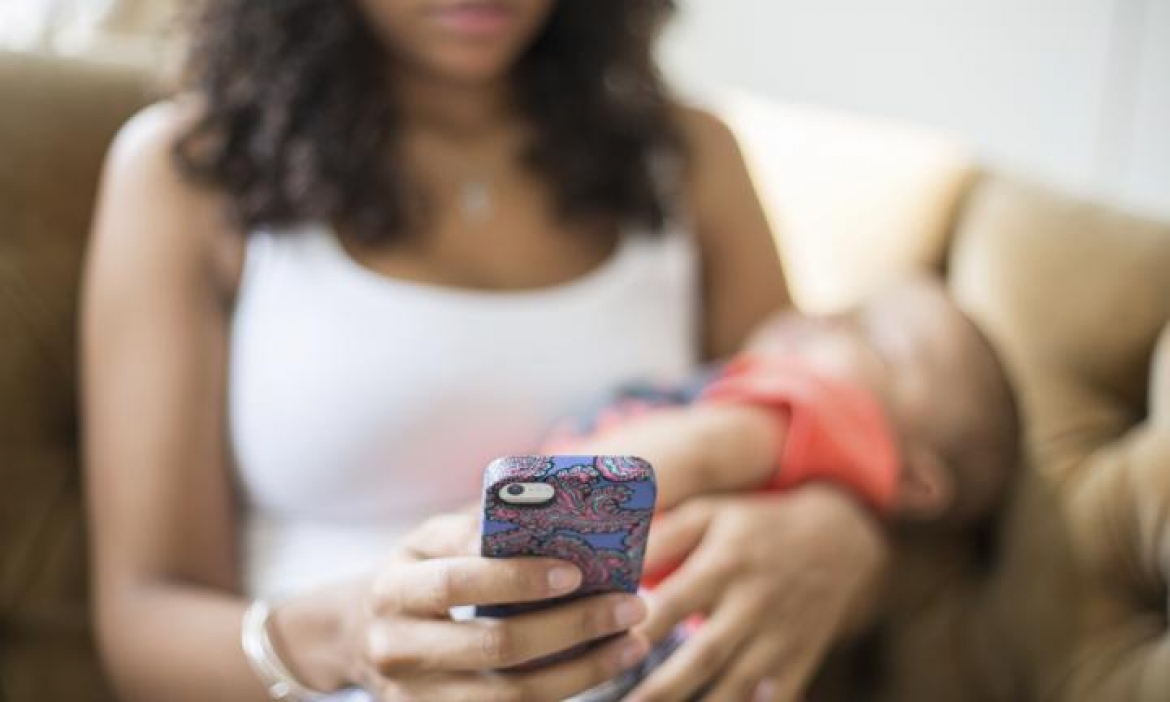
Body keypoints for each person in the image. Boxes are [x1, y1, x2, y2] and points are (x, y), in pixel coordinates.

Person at [82, 1, 890, 700]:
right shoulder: (186, 173)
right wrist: (347, 641)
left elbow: (807, 418)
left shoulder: (692, 160)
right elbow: (144, 621)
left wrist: (839, 534)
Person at [551, 277, 1020, 700]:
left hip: (612, 631)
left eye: (871, 336)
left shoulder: (822, 405)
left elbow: (693, 456)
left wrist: (532, 506)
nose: (827, 319)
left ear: (916, 482)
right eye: (850, 307)